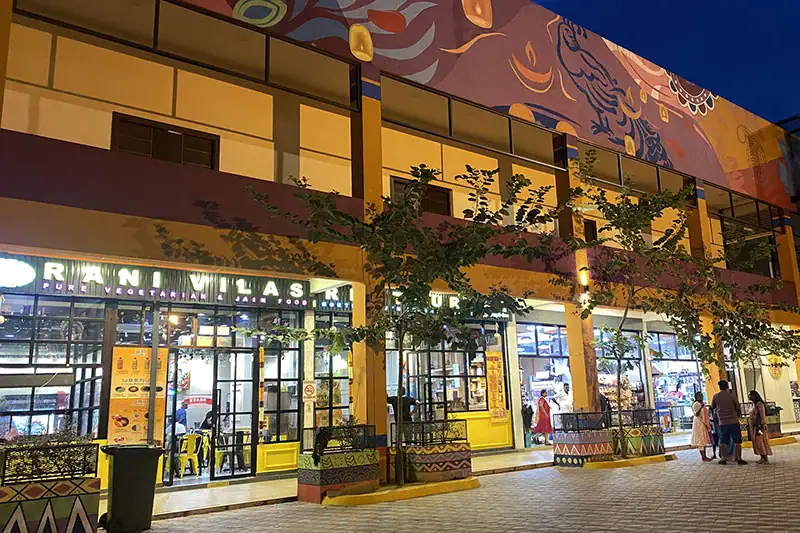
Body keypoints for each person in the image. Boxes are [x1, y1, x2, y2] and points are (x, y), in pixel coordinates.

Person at [710, 380, 746, 465]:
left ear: (719, 387)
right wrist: (738, 416)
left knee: (723, 441)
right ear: (727, 386)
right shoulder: (732, 396)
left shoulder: (716, 396)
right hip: (734, 421)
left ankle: (723, 458)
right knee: (737, 440)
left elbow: (712, 406)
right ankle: (739, 458)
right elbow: (738, 408)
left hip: (722, 422)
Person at [748, 390, 773, 464]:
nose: (749, 397)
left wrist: (762, 424)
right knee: (757, 442)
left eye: (750, 395)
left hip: (759, 426)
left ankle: (765, 457)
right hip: (755, 426)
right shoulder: (754, 405)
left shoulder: (759, 405)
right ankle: (762, 457)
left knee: (761, 441)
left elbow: (762, 416)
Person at [691, 392, 712, 461]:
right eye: (699, 396)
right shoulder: (696, 404)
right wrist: (701, 407)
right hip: (699, 423)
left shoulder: (701, 404)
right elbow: (696, 414)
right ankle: (703, 456)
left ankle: (704, 455)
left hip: (702, 423)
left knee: (703, 439)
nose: (701, 397)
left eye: (701, 395)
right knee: (700, 439)